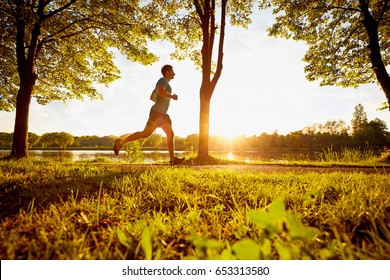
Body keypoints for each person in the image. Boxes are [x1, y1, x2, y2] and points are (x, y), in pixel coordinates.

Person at [114, 65, 185, 166]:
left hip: (161, 113)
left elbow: (152, 97)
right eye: (172, 71)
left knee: (152, 134)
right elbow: (160, 91)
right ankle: (120, 142)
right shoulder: (163, 80)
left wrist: (161, 101)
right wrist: (171, 96)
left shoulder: (164, 83)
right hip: (157, 114)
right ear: (167, 72)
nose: (174, 73)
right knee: (158, 134)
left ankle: (172, 159)